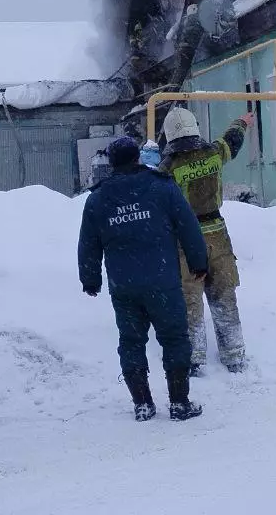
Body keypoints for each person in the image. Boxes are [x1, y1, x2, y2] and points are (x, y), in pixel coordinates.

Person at [78, 135, 208, 422]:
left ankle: (142, 404)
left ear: (111, 164)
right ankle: (179, 403)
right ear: (137, 157)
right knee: (174, 338)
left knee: (131, 341)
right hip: (162, 280)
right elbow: (188, 225)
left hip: (124, 286)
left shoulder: (98, 199)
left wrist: (90, 279)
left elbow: (88, 242)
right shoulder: (162, 188)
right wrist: (199, 262)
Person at [158, 107, 254, 375]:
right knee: (224, 291)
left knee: (189, 296)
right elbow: (231, 141)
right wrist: (242, 122)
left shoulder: (168, 168)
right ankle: (234, 354)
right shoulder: (214, 153)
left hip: (185, 238)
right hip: (217, 233)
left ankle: (193, 358)